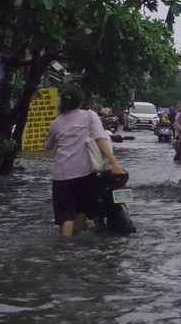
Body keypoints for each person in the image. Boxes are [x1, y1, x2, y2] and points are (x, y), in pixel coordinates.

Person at [44, 86, 124, 237]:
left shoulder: (56, 123)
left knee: (65, 216)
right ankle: (79, 247)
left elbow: (47, 145)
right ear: (80, 101)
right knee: (83, 210)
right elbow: (100, 139)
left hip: (62, 175)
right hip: (85, 173)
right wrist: (114, 163)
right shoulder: (90, 116)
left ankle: (66, 248)